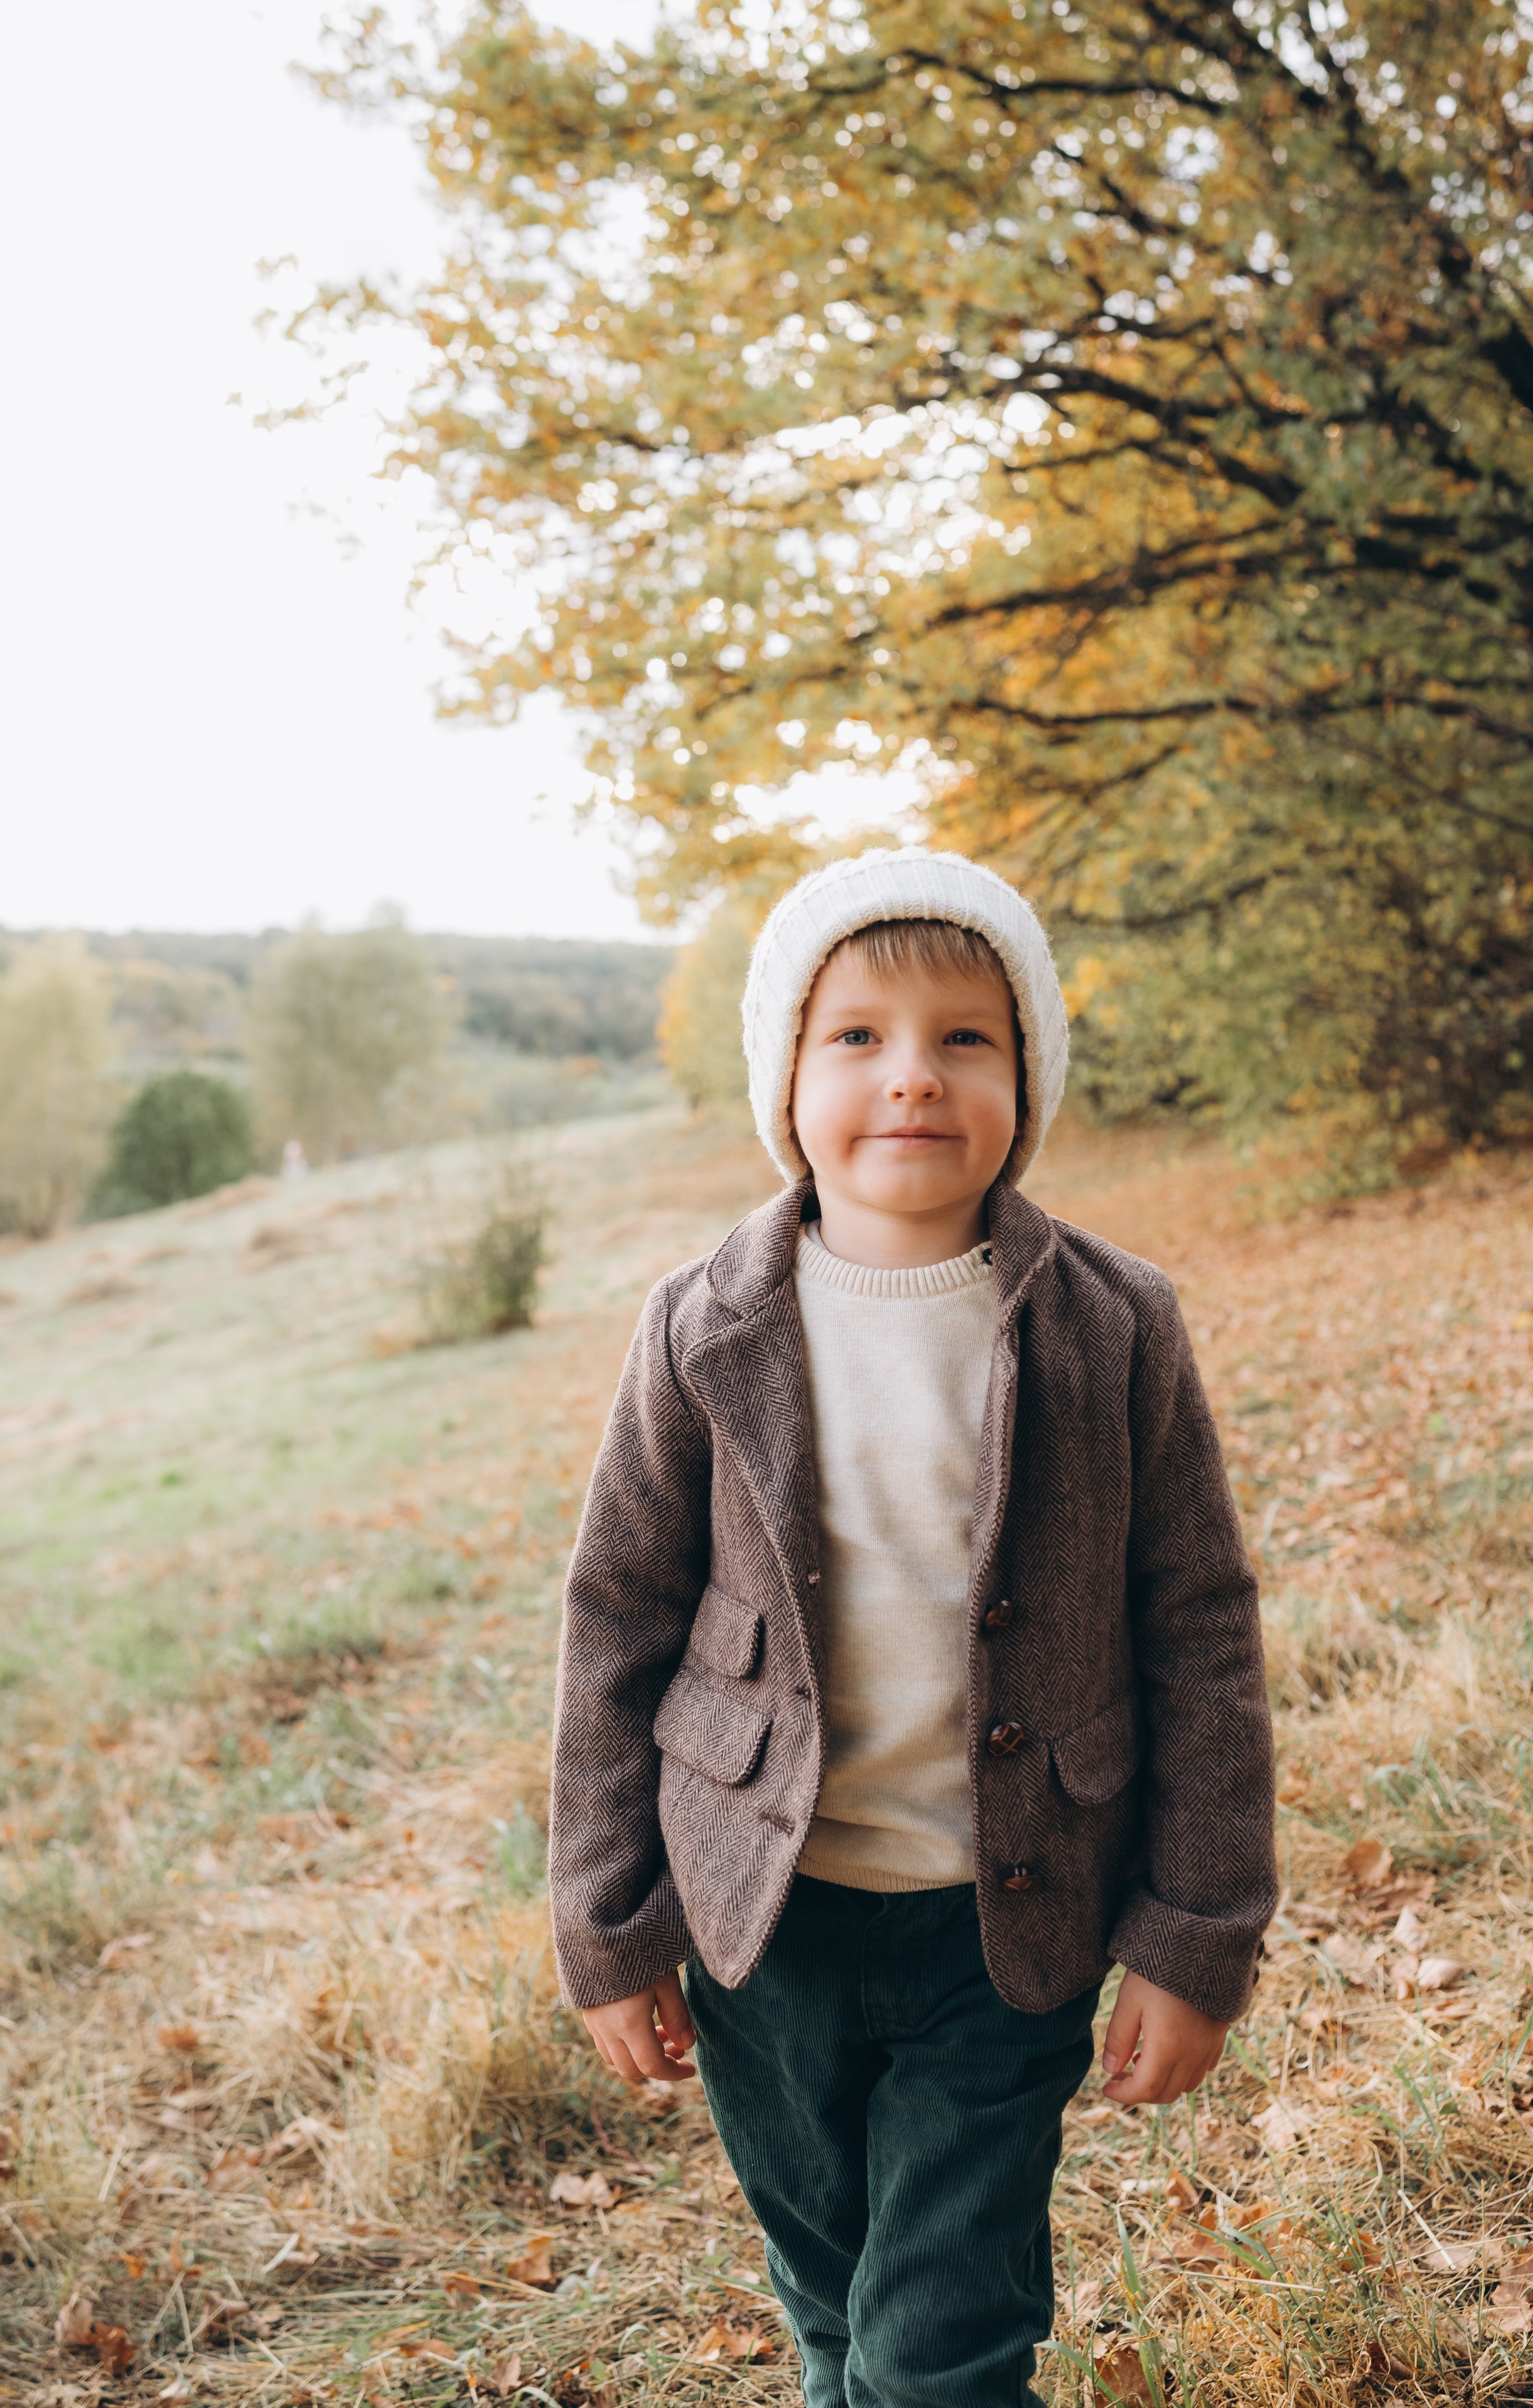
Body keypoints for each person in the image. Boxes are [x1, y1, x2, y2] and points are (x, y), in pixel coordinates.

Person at [548, 848, 1278, 2408]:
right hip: (765, 1920)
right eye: (857, 1036)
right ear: (785, 1079)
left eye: (966, 1037)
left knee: (938, 2342)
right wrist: (610, 1921)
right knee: (832, 2302)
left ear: (1026, 1078)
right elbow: (618, 1616)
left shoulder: (1112, 1321)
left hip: (1007, 1919)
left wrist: (1195, 1935)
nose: (912, 1078)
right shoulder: (703, 1326)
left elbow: (1198, 1626)